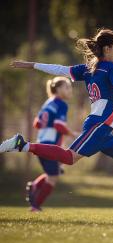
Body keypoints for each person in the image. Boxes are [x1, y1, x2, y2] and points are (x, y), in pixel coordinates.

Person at [1, 28, 113, 221]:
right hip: (98, 126)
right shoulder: (110, 68)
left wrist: (32, 65)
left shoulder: (89, 68)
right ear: (107, 49)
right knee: (69, 158)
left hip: (103, 131)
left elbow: (60, 69)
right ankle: (22, 144)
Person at [29, 76, 78, 211]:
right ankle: (35, 205)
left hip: (40, 143)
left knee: (56, 169)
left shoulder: (48, 102)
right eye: (67, 87)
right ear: (57, 89)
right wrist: (72, 134)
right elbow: (58, 125)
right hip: (50, 145)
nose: (70, 91)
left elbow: (37, 123)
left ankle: (35, 185)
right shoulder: (61, 104)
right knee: (53, 177)